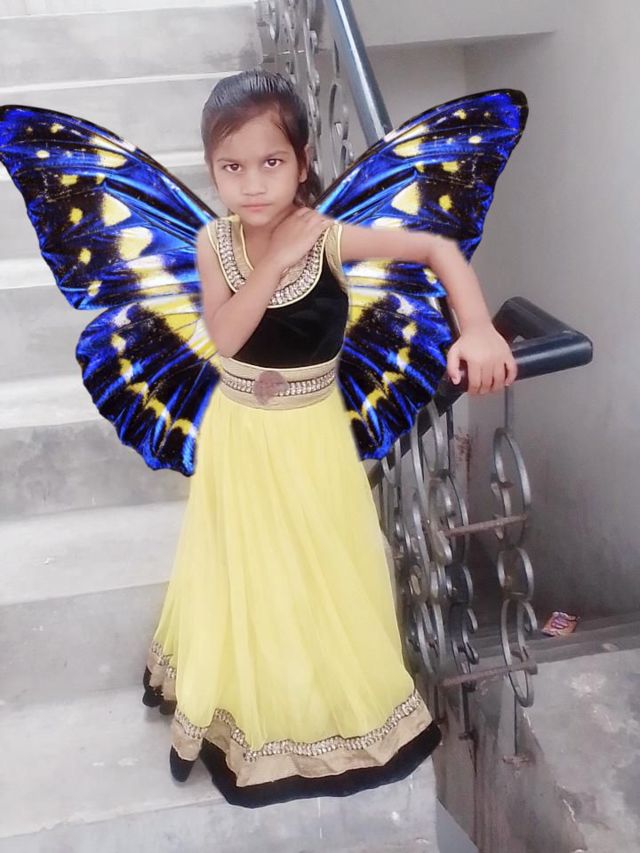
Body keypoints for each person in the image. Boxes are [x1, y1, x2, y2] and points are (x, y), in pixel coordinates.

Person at [137, 68, 516, 807]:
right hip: (240, 433)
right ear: (211, 168)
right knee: (244, 563)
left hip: (312, 435)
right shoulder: (214, 242)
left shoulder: (331, 238)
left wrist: (476, 326)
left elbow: (437, 249)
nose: (252, 183)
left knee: (324, 557)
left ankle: (320, 697)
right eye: (231, 167)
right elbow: (225, 337)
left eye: (271, 162)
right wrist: (276, 259)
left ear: (303, 161)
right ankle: (242, 703)